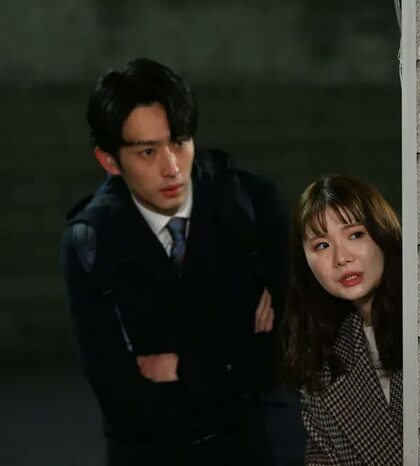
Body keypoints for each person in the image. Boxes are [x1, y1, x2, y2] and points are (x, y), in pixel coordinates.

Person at [60, 58, 302, 465]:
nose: (171, 168)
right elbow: (123, 401)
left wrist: (181, 367)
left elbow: (291, 355)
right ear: (109, 161)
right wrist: (238, 360)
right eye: (148, 151)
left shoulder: (252, 202)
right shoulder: (91, 238)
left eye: (179, 142)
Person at [281, 175, 403, 465]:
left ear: (383, 234)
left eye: (355, 235)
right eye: (322, 245)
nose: (341, 258)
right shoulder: (322, 364)